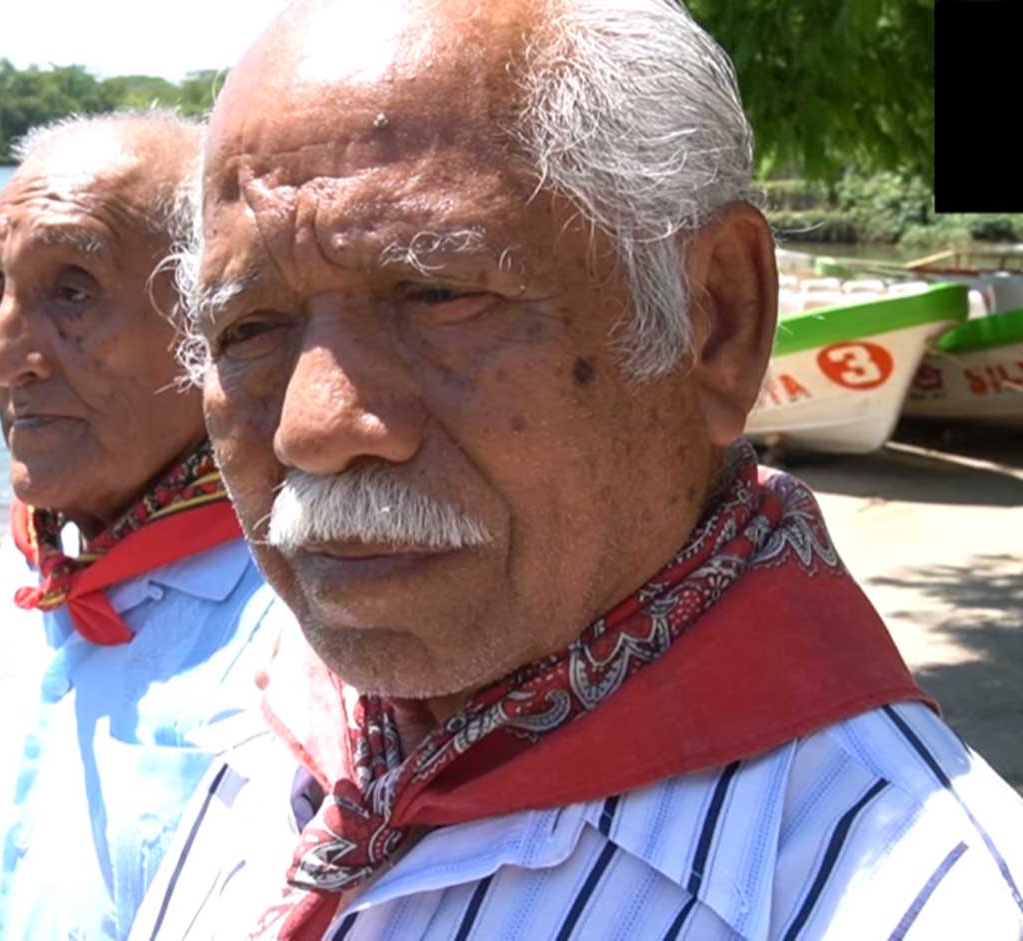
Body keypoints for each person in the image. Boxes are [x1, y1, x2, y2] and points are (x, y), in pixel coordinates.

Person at [132, 1, 1023, 939]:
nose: (313, 428)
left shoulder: (933, 905)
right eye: (248, 330)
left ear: (716, 319)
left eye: (436, 294)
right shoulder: (258, 743)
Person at [0, 111, 277, 941]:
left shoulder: (304, 634)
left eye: (71, 292)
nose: (5, 357)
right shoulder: (11, 586)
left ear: (210, 323)